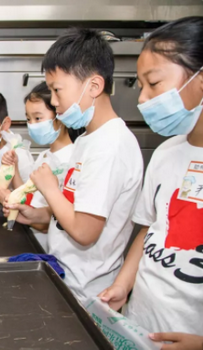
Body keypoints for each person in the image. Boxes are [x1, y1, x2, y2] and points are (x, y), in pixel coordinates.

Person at [4, 28, 143, 304]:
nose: (54, 101)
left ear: (93, 86)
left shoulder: (111, 145)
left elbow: (83, 231)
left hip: (90, 292)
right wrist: (38, 216)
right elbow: (69, 211)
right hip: (66, 277)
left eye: (57, 90)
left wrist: (49, 188)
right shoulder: (87, 140)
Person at [99, 17, 203, 348]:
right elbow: (149, 229)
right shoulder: (166, 152)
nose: (142, 99)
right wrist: (123, 285)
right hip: (141, 325)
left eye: (153, 83)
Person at [0, 82, 81, 251]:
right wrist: (13, 169)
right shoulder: (45, 156)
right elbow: (29, 196)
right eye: (28, 119)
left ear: (60, 115)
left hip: (54, 244)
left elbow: (56, 218)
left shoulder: (74, 157)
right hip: (40, 244)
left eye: (38, 118)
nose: (32, 124)